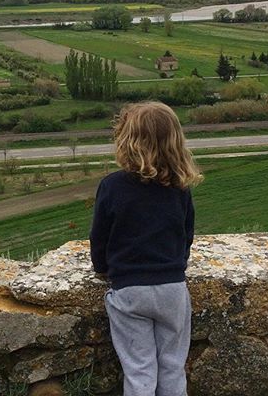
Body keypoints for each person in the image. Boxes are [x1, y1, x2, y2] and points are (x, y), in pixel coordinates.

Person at [90, 102, 201, 396]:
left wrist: (102, 269)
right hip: (172, 289)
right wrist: (176, 263)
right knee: (173, 367)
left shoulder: (112, 186)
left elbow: (99, 238)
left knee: (140, 370)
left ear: (127, 140)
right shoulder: (179, 189)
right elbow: (186, 236)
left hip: (129, 289)